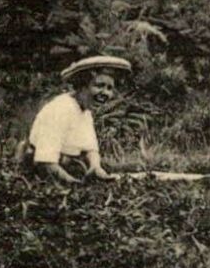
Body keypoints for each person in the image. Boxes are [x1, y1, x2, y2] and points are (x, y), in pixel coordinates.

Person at [19, 56, 132, 185]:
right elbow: (45, 162)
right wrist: (75, 184)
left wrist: (96, 167)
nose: (105, 93)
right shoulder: (60, 109)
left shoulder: (85, 110)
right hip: (43, 174)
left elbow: (90, 148)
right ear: (82, 86)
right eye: (99, 85)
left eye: (109, 88)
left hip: (71, 168)